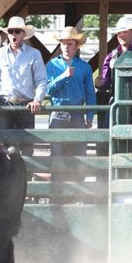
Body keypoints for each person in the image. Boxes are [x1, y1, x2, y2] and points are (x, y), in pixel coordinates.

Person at [0, 16, 47, 157]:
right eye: (11, 31)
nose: (14, 35)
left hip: (26, 105)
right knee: (4, 146)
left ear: (23, 34)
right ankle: (8, 178)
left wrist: (37, 100)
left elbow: (42, 80)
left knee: (27, 146)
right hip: (5, 104)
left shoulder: (34, 54)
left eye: (17, 31)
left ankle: (28, 177)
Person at [46, 26, 96, 182]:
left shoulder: (85, 67)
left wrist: (90, 115)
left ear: (77, 46)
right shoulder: (52, 65)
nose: (66, 46)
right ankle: (57, 193)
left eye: (70, 43)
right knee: (57, 154)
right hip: (58, 113)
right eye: (63, 43)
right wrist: (64, 76)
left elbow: (90, 92)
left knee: (79, 154)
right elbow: (47, 89)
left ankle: (77, 194)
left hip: (77, 114)